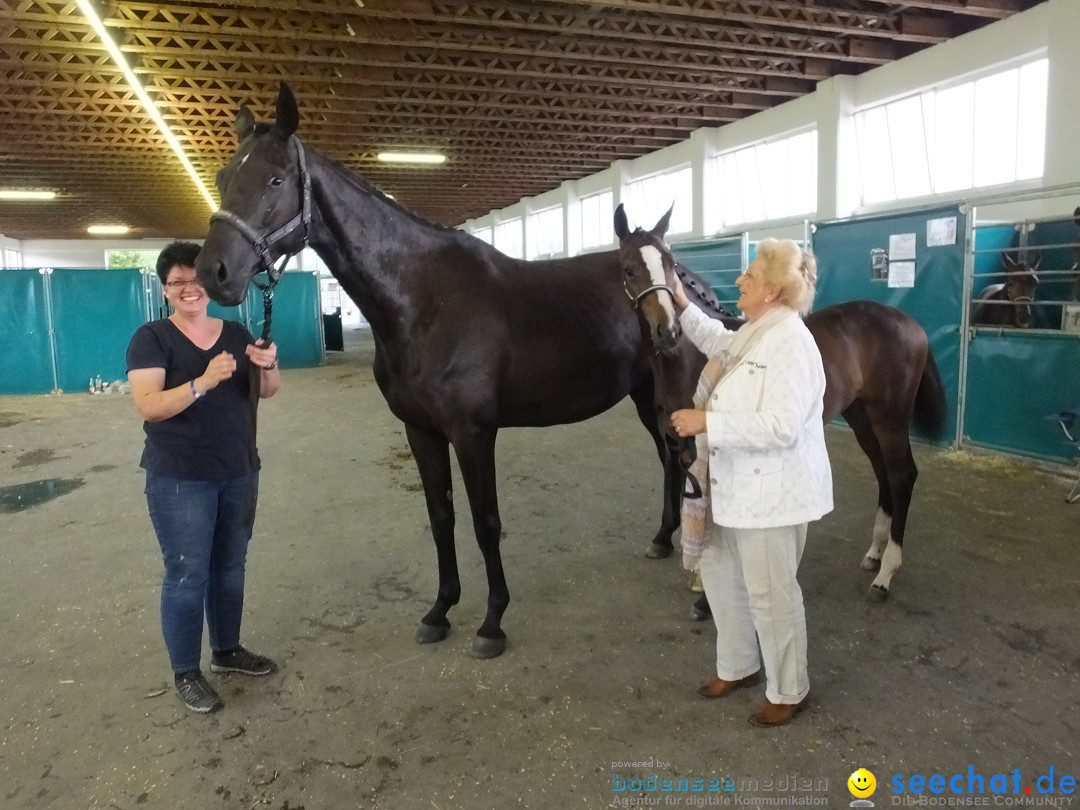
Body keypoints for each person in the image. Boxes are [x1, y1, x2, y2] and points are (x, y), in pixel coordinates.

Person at [669, 238, 832, 728]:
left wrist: (706, 425)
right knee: (720, 576)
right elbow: (721, 341)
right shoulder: (758, 330)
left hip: (772, 496)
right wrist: (681, 300)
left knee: (771, 593)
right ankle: (737, 664)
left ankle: (789, 688)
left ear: (774, 292)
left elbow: (782, 426)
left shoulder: (793, 343)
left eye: (751, 277)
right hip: (731, 485)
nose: (740, 281)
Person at [126, 240, 282, 714]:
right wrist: (202, 382)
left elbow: (269, 391)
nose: (188, 289)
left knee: (230, 567)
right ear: (165, 290)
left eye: (196, 280)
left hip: (237, 468)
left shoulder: (235, 331)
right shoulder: (152, 338)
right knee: (186, 574)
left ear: (210, 285)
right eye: (177, 283)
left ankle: (228, 651)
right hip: (180, 478)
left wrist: (268, 363)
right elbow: (149, 406)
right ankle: (186, 672)